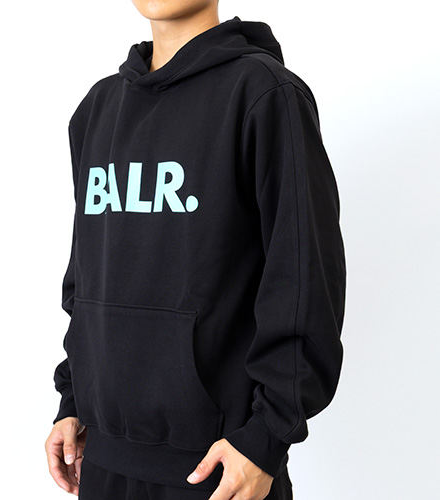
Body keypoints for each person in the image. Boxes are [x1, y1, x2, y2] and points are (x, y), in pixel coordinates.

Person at [44, 2, 347, 499]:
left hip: (219, 468)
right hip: (103, 458)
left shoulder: (265, 94)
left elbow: (304, 279)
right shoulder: (97, 108)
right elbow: (90, 272)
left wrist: (265, 438)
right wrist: (73, 401)